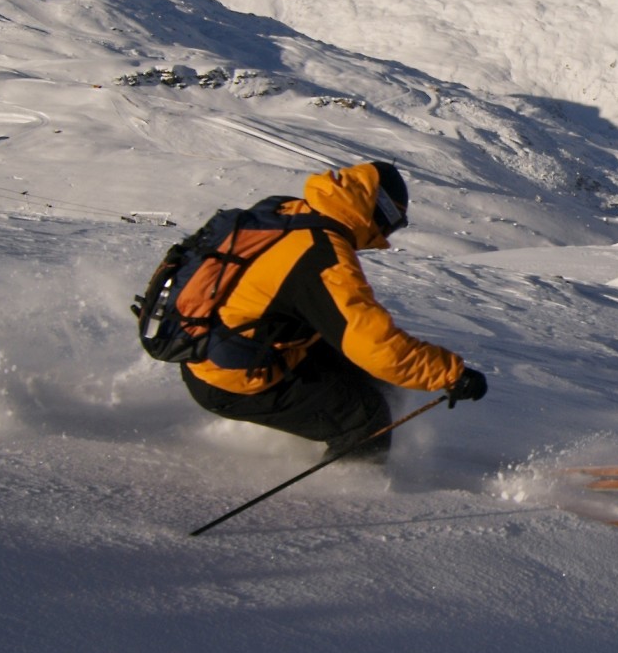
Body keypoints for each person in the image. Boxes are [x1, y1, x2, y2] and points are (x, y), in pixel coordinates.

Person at [179, 160, 487, 458]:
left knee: (371, 378)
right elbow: (373, 344)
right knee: (368, 419)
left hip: (220, 342)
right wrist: (451, 374)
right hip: (232, 377)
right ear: (373, 207)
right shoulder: (322, 256)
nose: (386, 234)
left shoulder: (293, 212)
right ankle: (345, 498)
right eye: (391, 220)